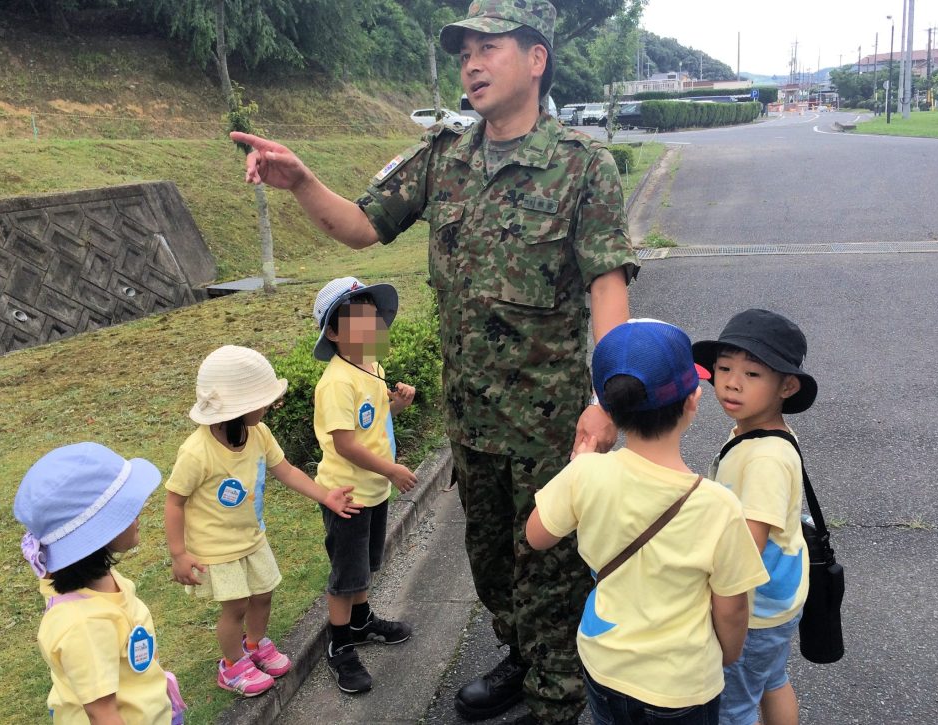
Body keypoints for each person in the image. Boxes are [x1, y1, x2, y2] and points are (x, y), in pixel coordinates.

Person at [229, 1, 638, 722]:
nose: (471, 63)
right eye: (463, 52)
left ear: (536, 58)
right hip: (473, 425)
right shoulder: (445, 160)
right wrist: (299, 180)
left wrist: (606, 401)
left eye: (490, 47)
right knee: (492, 566)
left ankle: (558, 697)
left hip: (551, 431)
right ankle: (521, 658)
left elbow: (608, 289)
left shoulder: (584, 168)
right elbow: (360, 225)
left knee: (552, 567)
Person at [526, 319, 769, 725]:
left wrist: (579, 467)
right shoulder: (718, 506)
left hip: (604, 666)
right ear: (693, 399)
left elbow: (536, 536)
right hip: (683, 685)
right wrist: (726, 655)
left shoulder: (586, 474)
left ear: (607, 405)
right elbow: (731, 609)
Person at [164, 345, 363, 697]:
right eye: (263, 400)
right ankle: (231, 665)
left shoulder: (259, 434)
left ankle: (254, 646)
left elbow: (284, 471)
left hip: (252, 537)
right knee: (236, 606)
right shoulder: (197, 452)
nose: (270, 406)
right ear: (238, 407)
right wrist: (179, 554)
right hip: (216, 547)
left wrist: (325, 495)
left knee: (263, 593)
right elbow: (175, 501)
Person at [691, 309, 819, 725]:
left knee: (733, 705)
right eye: (724, 368)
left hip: (754, 609)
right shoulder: (753, 430)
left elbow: (748, 545)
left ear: (787, 386)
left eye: (752, 374)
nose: (731, 381)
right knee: (771, 679)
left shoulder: (765, 457)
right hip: (778, 596)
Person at [14, 441, 180, 724]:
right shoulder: (84, 625)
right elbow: (102, 714)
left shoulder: (99, 581)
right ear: (98, 533)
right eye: (126, 509)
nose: (139, 511)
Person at [310, 276, 418, 694]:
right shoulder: (336, 382)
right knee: (346, 574)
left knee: (365, 565)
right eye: (357, 319)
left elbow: (370, 420)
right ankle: (339, 646)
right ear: (333, 333)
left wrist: (396, 404)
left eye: (372, 316)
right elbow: (345, 443)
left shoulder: (372, 366)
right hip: (347, 496)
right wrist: (391, 470)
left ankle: (361, 620)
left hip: (373, 490)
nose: (370, 325)